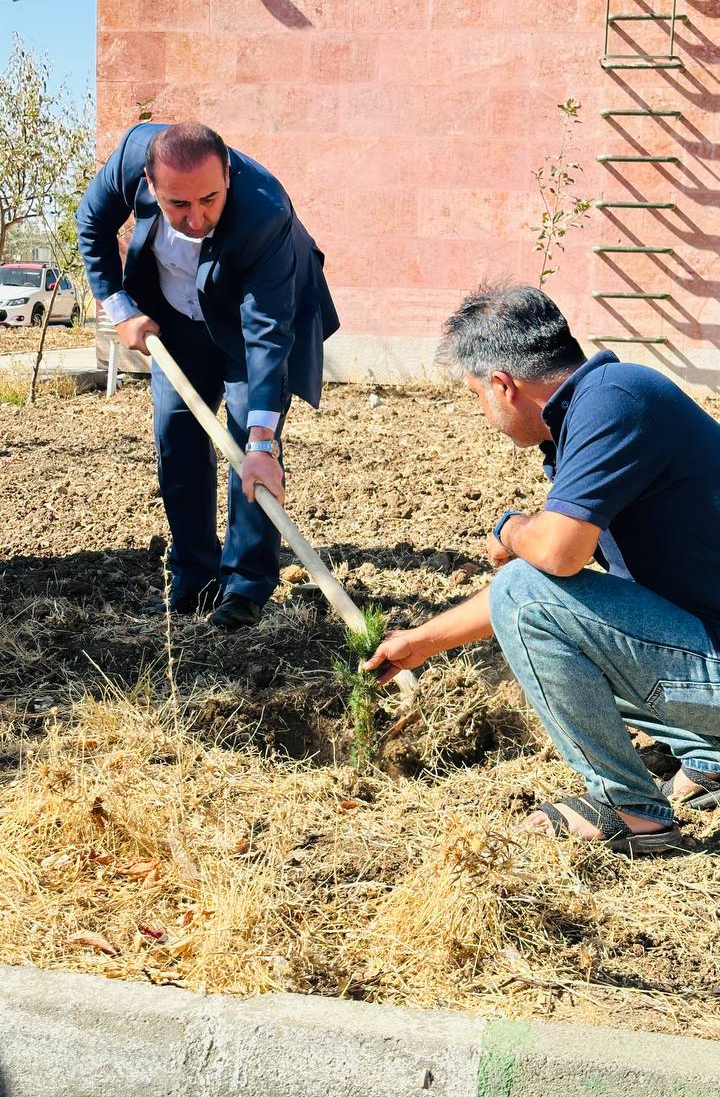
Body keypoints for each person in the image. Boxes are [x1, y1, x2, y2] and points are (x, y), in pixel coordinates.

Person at [364, 283, 720, 854]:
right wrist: (424, 641)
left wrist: (510, 529)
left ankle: (630, 811)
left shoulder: (613, 402)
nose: (485, 413)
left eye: (477, 396)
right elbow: (557, 595)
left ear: (503, 385)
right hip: (705, 647)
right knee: (543, 619)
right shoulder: (607, 401)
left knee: (524, 590)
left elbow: (552, 561)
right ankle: (710, 756)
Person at [77, 122, 339, 629]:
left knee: (249, 448)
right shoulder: (132, 156)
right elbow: (92, 222)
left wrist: (263, 442)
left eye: (210, 200)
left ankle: (245, 590)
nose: (196, 219)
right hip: (175, 321)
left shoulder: (265, 211)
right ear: (150, 183)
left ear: (228, 177)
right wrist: (120, 308)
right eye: (178, 204)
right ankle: (194, 581)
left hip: (250, 326)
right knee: (177, 439)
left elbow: (267, 334)